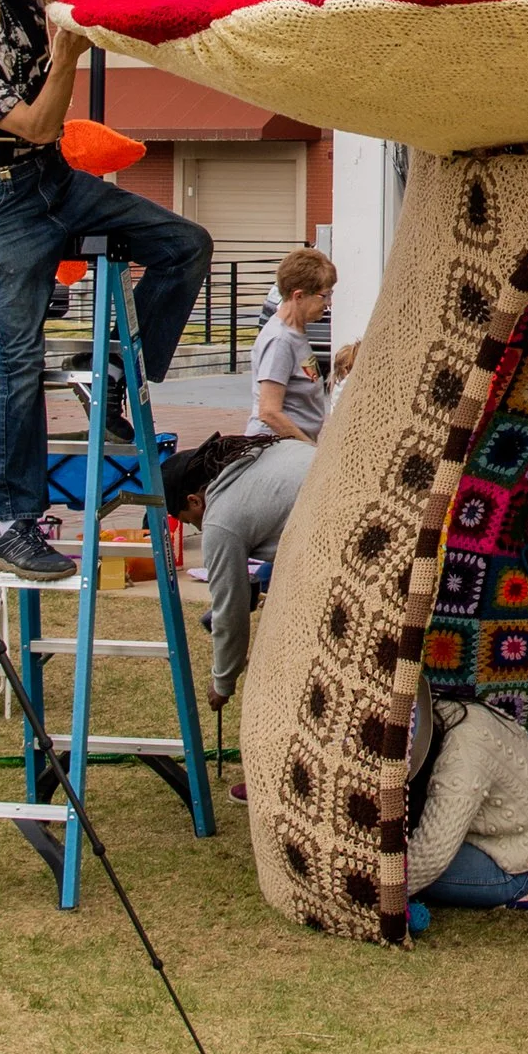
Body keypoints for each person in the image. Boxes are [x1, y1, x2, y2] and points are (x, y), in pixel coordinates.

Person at [0, 0, 213, 584]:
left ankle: (113, 371)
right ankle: (13, 525)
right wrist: (70, 51)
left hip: (53, 181)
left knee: (185, 244)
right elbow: (42, 122)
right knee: (20, 357)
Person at [160, 433, 315, 714]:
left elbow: (230, 611)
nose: (198, 529)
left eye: (190, 522)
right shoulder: (265, 451)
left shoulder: (220, 520)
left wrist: (223, 682)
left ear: (195, 501)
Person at [405, 694, 528, 908]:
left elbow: (431, 855)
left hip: (516, 864)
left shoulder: (462, 762)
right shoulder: (444, 712)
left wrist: (368, 886)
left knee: (394, 867)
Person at [248, 248, 337, 441]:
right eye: (324, 295)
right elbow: (269, 412)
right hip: (274, 444)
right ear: (299, 296)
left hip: (294, 443)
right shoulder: (280, 340)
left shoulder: (296, 332)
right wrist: (309, 450)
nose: (328, 303)